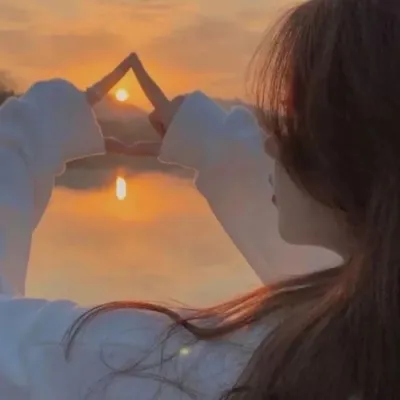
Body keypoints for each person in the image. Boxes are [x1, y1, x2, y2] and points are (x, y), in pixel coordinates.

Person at [0, 0, 396, 398]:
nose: (272, 144)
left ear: (360, 149)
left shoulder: (217, 369)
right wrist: (215, 148)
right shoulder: (368, 344)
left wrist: (27, 136)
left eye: (293, 122)